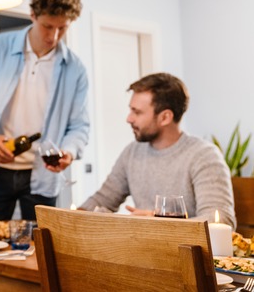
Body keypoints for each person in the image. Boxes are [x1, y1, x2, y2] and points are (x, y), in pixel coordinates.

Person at [0, 0, 90, 221]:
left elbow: (79, 126)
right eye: (48, 26)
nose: (54, 36)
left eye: (63, 28)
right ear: (33, 15)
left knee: (40, 250)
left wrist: (69, 151)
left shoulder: (75, 69)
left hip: (43, 176)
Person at [80, 73, 236, 227]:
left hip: (184, 251)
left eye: (137, 112)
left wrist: (160, 221)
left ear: (165, 117)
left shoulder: (204, 156)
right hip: (140, 249)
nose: (129, 118)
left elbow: (221, 222)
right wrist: (72, 216)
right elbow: (101, 201)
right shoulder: (132, 153)